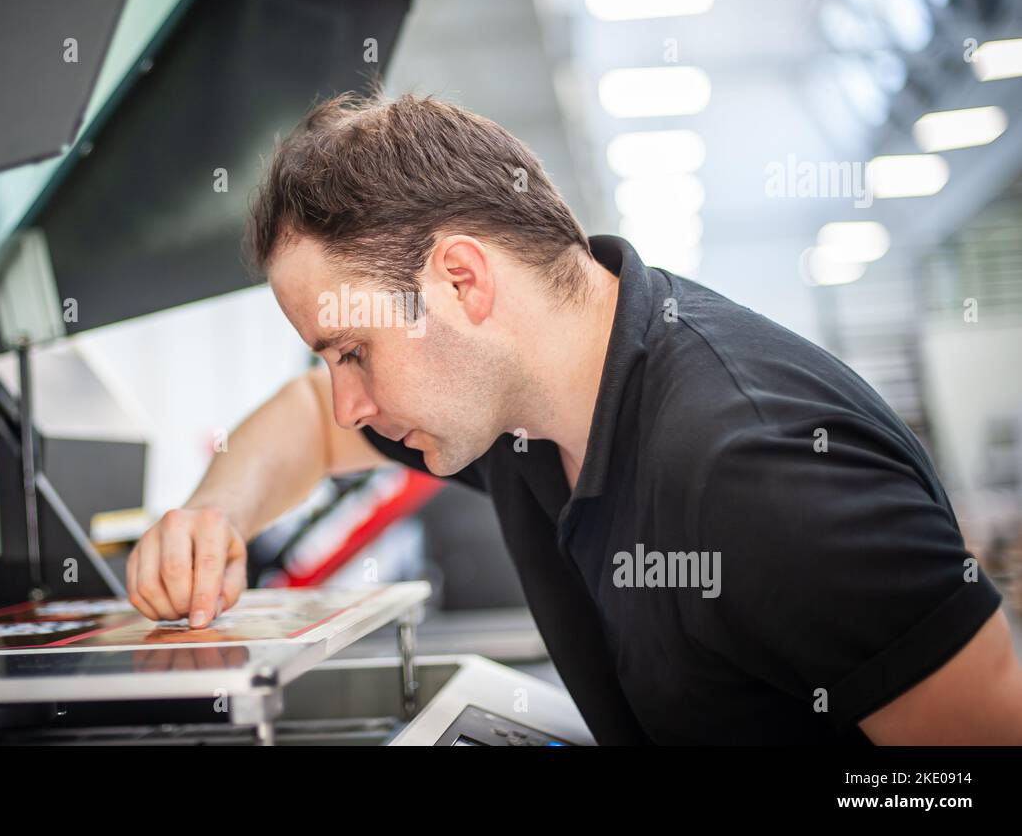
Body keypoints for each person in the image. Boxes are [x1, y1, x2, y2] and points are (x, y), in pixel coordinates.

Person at [126, 90, 1022, 744]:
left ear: (462, 280)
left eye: (351, 350)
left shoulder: (759, 467)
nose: (349, 399)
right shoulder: (525, 407)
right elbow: (306, 422)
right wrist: (214, 515)